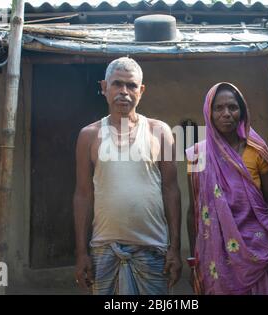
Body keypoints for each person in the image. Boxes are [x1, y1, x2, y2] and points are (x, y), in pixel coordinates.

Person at [73, 57, 182, 295]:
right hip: (104, 249)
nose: (124, 92)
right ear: (104, 87)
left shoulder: (160, 131)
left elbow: (171, 190)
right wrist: (81, 253)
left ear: (141, 91)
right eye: (117, 84)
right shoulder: (89, 135)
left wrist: (176, 248)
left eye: (131, 86)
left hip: (154, 248)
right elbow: (83, 194)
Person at [186, 82, 268, 295]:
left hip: (257, 252)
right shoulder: (197, 155)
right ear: (209, 112)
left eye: (232, 107)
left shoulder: (256, 151)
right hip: (215, 257)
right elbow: (194, 210)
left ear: (242, 111)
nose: (226, 114)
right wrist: (194, 260)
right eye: (219, 108)